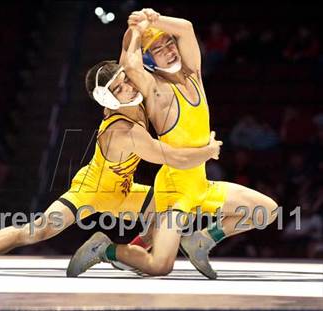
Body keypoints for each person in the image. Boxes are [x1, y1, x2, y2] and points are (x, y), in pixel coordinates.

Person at [0, 60, 221, 276]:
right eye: (120, 88)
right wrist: (207, 151)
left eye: (126, 81)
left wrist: (136, 29)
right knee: (35, 231)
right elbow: (171, 157)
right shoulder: (122, 130)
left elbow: (129, 60)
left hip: (123, 190)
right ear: (108, 100)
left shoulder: (136, 100)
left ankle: (119, 253)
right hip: (91, 191)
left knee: (168, 214)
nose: (130, 87)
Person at [67, 9, 278, 279]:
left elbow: (187, 28)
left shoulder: (194, 75)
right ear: (148, 59)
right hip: (174, 191)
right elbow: (129, 64)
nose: (169, 50)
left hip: (199, 184)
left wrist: (154, 20)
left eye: (169, 43)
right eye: (158, 49)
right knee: (159, 266)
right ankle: (104, 249)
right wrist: (137, 28)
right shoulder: (156, 89)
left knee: (267, 210)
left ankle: (200, 241)